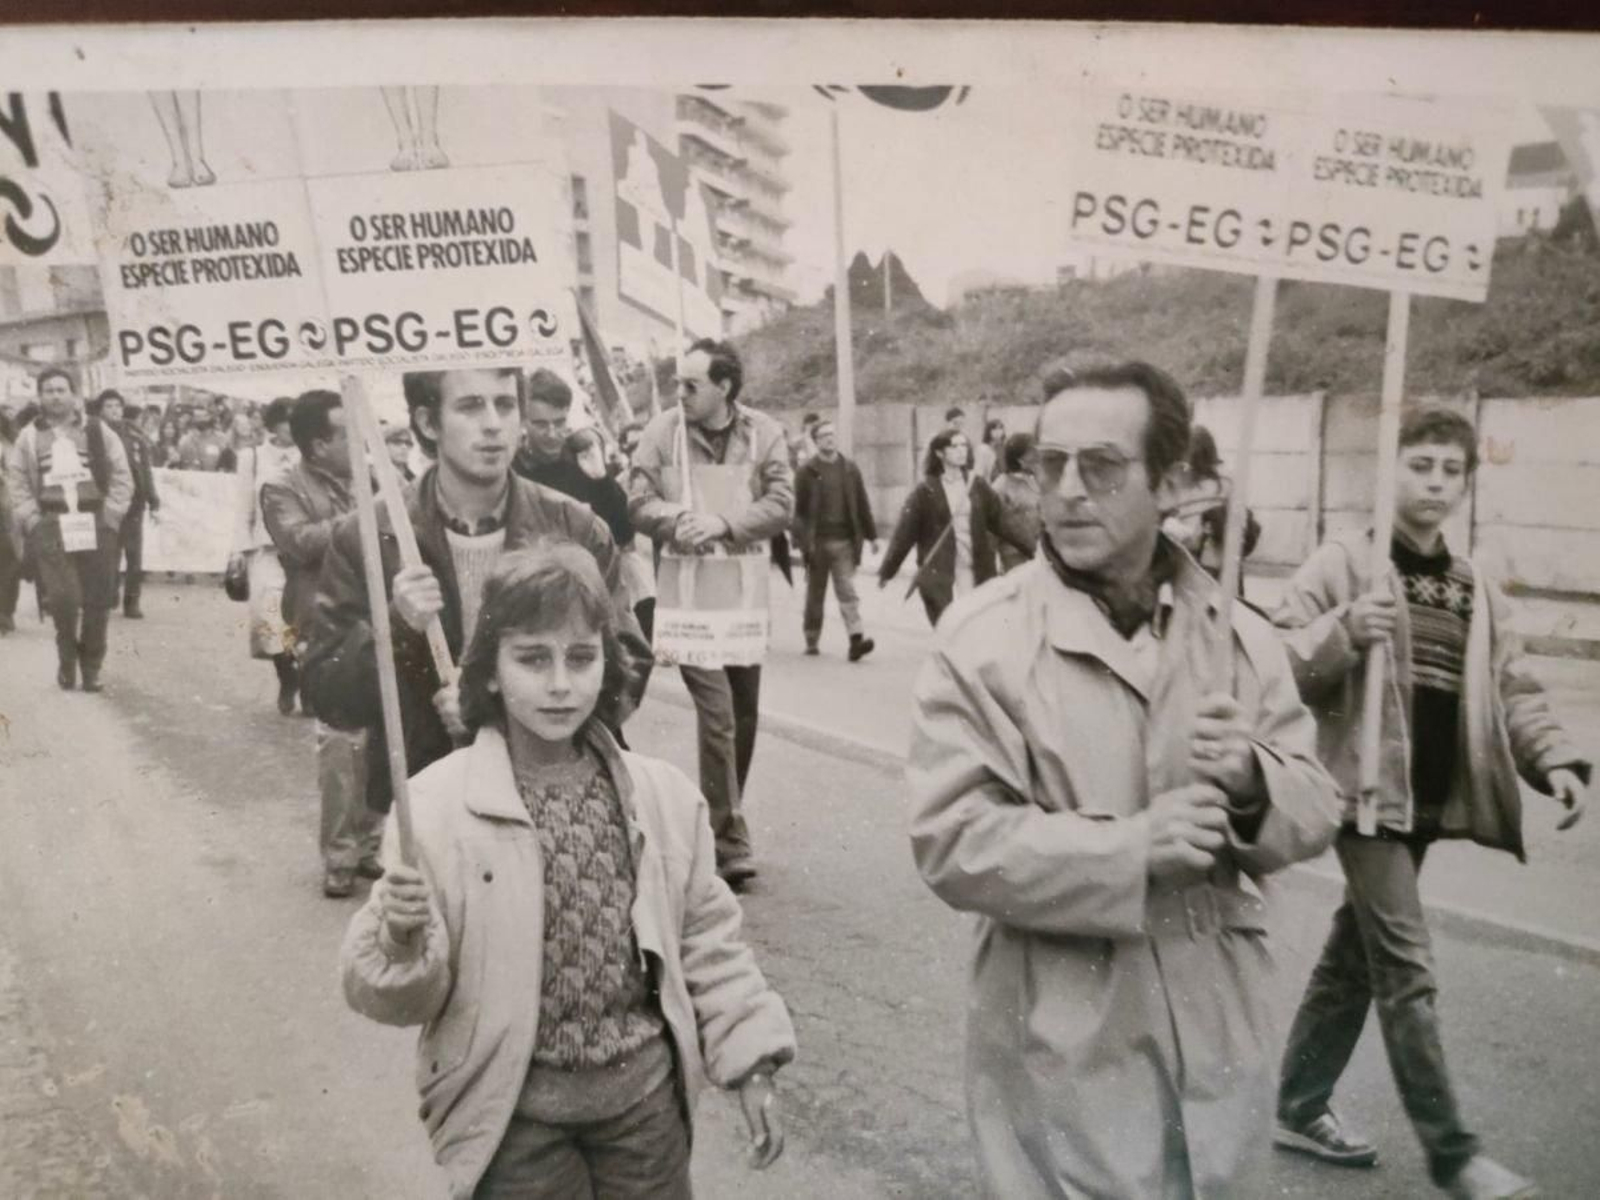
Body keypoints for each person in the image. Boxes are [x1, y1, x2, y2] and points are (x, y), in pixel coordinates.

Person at [906, 360, 1340, 1198]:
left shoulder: (1236, 636)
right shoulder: (983, 639)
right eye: (1048, 463)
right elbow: (951, 839)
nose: (1065, 491)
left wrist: (1251, 780)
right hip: (1063, 1031)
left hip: (1217, 1028)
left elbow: (1315, 803)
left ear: (1172, 483)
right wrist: (1133, 849)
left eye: (1100, 467)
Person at [340, 545, 794, 1199]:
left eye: (581, 658)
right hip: (515, 1121)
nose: (560, 683)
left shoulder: (661, 798)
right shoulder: (436, 810)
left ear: (607, 666)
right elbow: (405, 999)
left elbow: (707, 940)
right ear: (490, 671)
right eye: (532, 658)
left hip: (645, 1111)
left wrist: (751, 1063)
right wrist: (401, 940)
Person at [1272, 403, 1591, 1200]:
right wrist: (1347, 627)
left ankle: (1298, 1105)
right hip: (1360, 794)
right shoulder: (1349, 561)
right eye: (1421, 465)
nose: (1436, 483)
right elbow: (1273, 655)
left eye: (1452, 471)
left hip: (1425, 800)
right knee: (1407, 966)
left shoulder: (1470, 581)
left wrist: (1553, 758)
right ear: (1390, 470)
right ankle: (1453, 1155)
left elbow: (1512, 685)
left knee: (1357, 958)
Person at [301, 367, 648, 849]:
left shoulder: (576, 527)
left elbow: (628, 670)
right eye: (470, 407)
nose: (493, 425)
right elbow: (328, 693)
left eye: (505, 405)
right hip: (425, 801)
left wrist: (495, 711)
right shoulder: (368, 534)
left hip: (555, 798)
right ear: (427, 423)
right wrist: (397, 626)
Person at [628, 338, 793, 890]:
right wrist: (675, 519)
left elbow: (782, 503)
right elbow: (637, 499)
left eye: (692, 385)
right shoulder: (661, 432)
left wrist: (724, 524)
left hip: (742, 600)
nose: (680, 393)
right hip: (686, 601)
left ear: (725, 388)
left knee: (744, 715)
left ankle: (718, 820)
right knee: (719, 714)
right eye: (677, 383)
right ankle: (727, 839)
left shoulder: (764, 433)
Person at [262, 390, 380, 898]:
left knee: (378, 733)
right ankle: (338, 855)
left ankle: (369, 841)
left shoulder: (366, 478)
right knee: (338, 740)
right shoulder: (280, 487)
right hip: (323, 621)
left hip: (377, 615)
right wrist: (368, 518)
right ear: (316, 445)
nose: (355, 442)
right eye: (344, 434)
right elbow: (299, 541)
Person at [5, 367, 135, 691]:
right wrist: (32, 518)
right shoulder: (29, 436)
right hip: (51, 522)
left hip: (96, 520)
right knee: (63, 598)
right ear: (40, 397)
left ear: (74, 395)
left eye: (61, 389)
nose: (55, 395)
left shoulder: (97, 429)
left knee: (98, 599)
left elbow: (121, 472)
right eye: (48, 390)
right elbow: (17, 480)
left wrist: (112, 515)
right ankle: (67, 657)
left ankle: (91, 667)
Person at [877, 429, 1006, 627]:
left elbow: (1002, 521)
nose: (961, 450)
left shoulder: (976, 485)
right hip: (941, 570)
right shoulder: (925, 491)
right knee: (949, 625)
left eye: (964, 445)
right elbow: (904, 535)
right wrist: (888, 570)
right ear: (939, 453)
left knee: (974, 622)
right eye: (954, 446)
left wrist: (1033, 547)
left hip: (973, 566)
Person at [231, 397, 302, 715]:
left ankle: (311, 687)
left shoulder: (311, 455)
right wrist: (239, 551)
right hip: (266, 548)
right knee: (271, 618)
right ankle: (287, 677)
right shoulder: (253, 457)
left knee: (308, 618)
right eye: (287, 420)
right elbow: (243, 505)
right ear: (274, 425)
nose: (293, 428)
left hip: (304, 548)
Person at [793, 418, 877, 660]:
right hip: (816, 543)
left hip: (844, 542)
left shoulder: (849, 468)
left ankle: (856, 640)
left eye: (832, 434)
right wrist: (799, 541)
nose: (830, 438)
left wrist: (871, 536)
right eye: (824, 435)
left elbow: (862, 503)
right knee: (815, 594)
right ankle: (811, 637)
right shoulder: (806, 471)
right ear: (816, 440)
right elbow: (798, 511)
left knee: (847, 591)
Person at [88, 389, 161, 619]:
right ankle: (110, 596)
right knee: (108, 553)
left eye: (118, 406)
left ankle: (132, 601)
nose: (114, 410)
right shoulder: (93, 435)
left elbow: (144, 470)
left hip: (134, 503)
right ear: (100, 411)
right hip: (107, 501)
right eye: (109, 406)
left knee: (134, 555)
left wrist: (153, 498)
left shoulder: (134, 436)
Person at [1162, 424, 1260, 592]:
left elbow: (1192, 537)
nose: (1185, 464)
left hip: (1205, 565)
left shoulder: (1210, 486)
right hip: (1221, 564)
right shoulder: (1226, 481)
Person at [510, 367, 579, 491]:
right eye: (541, 424)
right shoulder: (510, 471)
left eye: (559, 423)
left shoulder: (581, 459)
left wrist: (602, 480)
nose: (552, 434)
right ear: (523, 420)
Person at [990, 430, 1041, 573]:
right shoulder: (1001, 487)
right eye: (1033, 454)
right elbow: (991, 531)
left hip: (1039, 554)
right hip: (1014, 557)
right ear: (1019, 458)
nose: (1038, 458)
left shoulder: (1036, 482)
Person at [175, 404, 233, 472]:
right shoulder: (186, 440)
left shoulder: (222, 438)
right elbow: (178, 462)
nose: (199, 418)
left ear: (210, 417)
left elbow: (228, 463)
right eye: (196, 416)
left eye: (204, 415)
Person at [973, 417, 1006, 482]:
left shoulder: (1002, 448)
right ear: (988, 431)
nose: (998, 432)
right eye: (994, 429)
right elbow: (978, 472)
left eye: (1000, 429)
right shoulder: (982, 448)